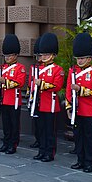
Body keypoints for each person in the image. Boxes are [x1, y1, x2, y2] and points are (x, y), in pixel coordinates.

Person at [66, 32, 92, 173]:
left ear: (89, 58)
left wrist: (81, 90)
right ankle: (80, 160)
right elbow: (69, 89)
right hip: (77, 110)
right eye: (78, 58)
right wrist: (69, 106)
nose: (79, 61)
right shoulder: (72, 72)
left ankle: (89, 162)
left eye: (82, 58)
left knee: (89, 138)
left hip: (88, 111)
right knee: (78, 136)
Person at [33, 33, 65, 162]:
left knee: (49, 131)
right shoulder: (37, 69)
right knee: (40, 129)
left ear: (53, 55)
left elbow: (57, 86)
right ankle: (41, 150)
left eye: (47, 54)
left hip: (50, 104)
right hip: (40, 103)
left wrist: (42, 84)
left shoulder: (58, 69)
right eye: (43, 55)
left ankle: (49, 152)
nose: (44, 57)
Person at [0, 34, 26, 155]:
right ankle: (6, 142)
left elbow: (19, 83)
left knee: (14, 125)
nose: (7, 58)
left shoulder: (20, 68)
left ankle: (13, 144)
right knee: (6, 124)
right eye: (6, 55)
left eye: (9, 55)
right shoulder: (2, 68)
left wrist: (5, 82)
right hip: (4, 100)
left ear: (15, 55)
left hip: (14, 100)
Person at [28, 37, 42, 149]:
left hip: (44, 100)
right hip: (35, 98)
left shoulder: (50, 69)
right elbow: (30, 83)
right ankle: (38, 139)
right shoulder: (34, 67)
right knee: (36, 122)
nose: (39, 58)